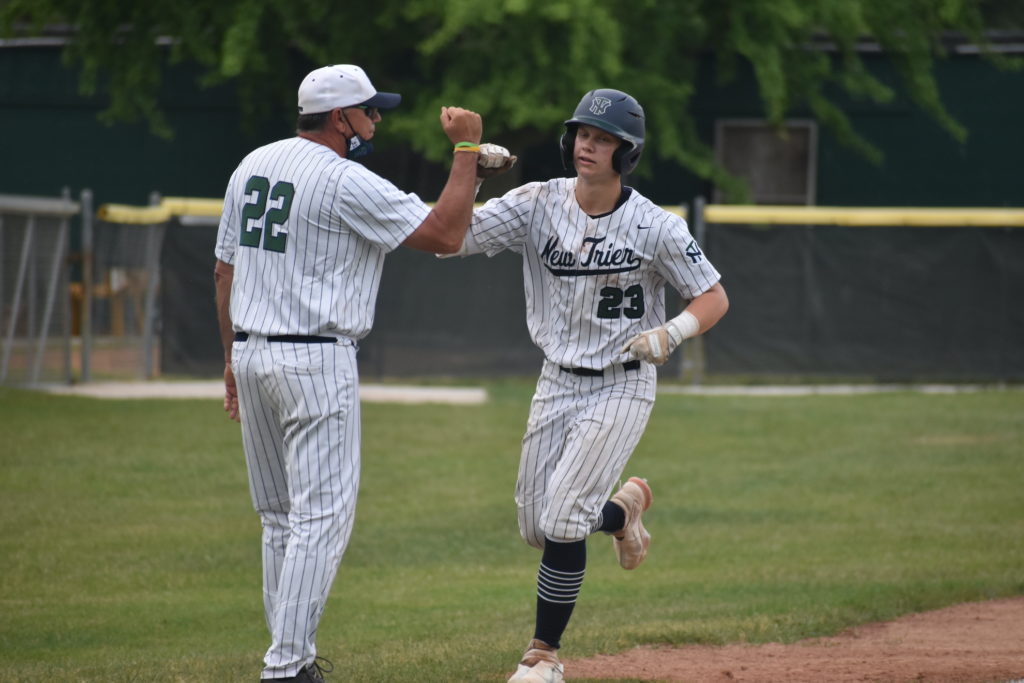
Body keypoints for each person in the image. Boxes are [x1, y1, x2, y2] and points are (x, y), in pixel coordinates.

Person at [213, 64, 484, 683]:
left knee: (279, 517)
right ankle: (285, 669)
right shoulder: (344, 179)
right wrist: (466, 150)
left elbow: (223, 271)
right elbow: (444, 233)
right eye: (369, 110)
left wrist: (229, 356)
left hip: (253, 351)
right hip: (314, 358)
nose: (376, 120)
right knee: (319, 519)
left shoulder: (250, 165)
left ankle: (294, 661)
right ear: (341, 119)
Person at [451, 89, 729, 682]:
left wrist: (675, 332)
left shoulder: (654, 225)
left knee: (561, 521)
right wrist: (469, 170)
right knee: (538, 527)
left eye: (602, 139)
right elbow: (457, 236)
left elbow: (713, 296)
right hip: (556, 381)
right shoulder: (537, 202)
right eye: (581, 133)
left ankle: (542, 655)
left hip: (622, 383)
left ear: (626, 154)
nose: (587, 145)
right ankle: (622, 513)